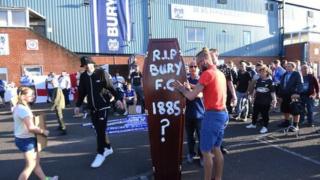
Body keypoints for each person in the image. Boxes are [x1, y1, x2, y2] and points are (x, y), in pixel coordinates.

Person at [174, 48, 228, 180]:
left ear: (204, 61)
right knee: (216, 149)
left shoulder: (206, 74)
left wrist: (181, 88)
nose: (197, 67)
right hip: (222, 114)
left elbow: (191, 96)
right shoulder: (219, 73)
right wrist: (190, 87)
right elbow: (207, 89)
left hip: (212, 116)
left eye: (198, 64)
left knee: (206, 152)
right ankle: (218, 178)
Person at [74, 56, 124, 168]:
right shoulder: (83, 77)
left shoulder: (101, 73)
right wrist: (78, 105)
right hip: (92, 107)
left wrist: (118, 99)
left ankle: (100, 153)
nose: (86, 67)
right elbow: (82, 92)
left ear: (92, 63)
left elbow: (111, 87)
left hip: (103, 106)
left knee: (101, 130)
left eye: (87, 64)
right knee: (98, 130)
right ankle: (108, 148)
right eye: (84, 65)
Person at [12, 87, 58, 180]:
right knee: (31, 165)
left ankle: (45, 179)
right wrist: (43, 132)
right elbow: (31, 127)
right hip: (26, 140)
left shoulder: (19, 106)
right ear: (23, 96)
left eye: (33, 94)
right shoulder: (23, 109)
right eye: (31, 95)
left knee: (35, 163)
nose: (34, 96)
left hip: (25, 138)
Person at [184, 61, 205, 165]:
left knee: (201, 136)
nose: (193, 68)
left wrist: (189, 88)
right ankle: (191, 153)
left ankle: (202, 156)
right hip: (188, 113)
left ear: (198, 68)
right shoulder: (185, 80)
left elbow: (200, 94)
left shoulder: (202, 79)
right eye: (191, 66)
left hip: (200, 114)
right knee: (190, 137)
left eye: (195, 66)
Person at [246, 65, 277, 133]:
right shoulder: (259, 80)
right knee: (255, 113)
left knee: (265, 114)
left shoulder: (270, 81)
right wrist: (253, 97)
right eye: (260, 72)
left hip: (266, 101)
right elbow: (255, 89)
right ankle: (253, 124)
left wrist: (274, 100)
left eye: (263, 72)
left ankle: (265, 127)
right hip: (257, 100)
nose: (261, 73)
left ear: (267, 73)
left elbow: (272, 92)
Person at [278, 62, 303, 132]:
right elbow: (281, 85)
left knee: (295, 110)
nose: (287, 68)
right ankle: (286, 122)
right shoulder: (284, 74)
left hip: (293, 95)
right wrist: (279, 95)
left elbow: (300, 84)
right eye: (286, 66)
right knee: (285, 109)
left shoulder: (297, 74)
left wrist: (297, 93)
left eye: (289, 66)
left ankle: (295, 125)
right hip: (284, 95)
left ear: (293, 67)